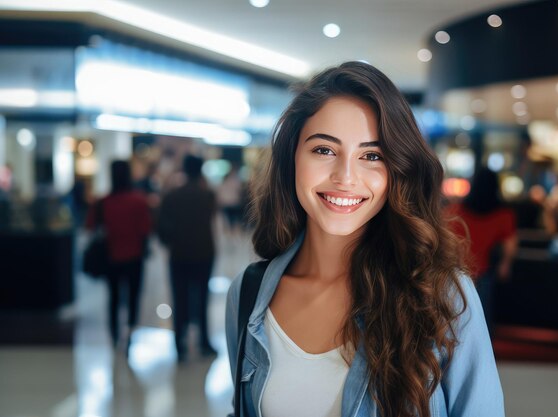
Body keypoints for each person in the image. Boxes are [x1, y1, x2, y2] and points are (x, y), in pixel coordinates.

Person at [225, 62, 504, 417]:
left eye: (371, 156)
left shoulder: (442, 296)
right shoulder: (248, 294)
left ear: (396, 171)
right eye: (324, 150)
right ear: (292, 157)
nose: (345, 177)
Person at [86, 160, 151, 354]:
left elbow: (90, 227)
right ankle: (130, 332)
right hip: (134, 256)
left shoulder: (103, 203)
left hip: (111, 256)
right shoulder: (139, 201)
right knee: (133, 297)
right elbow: (146, 229)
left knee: (113, 297)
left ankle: (114, 335)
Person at [158, 154, 218, 361]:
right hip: (203, 252)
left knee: (179, 297)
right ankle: (203, 342)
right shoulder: (207, 195)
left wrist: (170, 241)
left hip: (179, 253)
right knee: (201, 298)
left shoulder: (172, 196)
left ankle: (179, 344)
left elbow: (161, 226)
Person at [446, 168, 518, 334]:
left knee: (454, 317)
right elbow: (510, 245)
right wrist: (505, 264)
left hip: (454, 270)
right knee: (482, 315)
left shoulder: (456, 210)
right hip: (483, 271)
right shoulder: (504, 214)